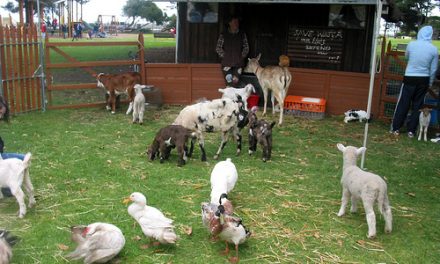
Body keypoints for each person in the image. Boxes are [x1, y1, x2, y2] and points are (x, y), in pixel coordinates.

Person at [390, 25, 438, 138]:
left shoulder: (411, 44)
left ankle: (396, 128)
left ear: (419, 33)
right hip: (424, 79)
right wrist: (430, 82)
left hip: (410, 77)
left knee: (403, 103)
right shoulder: (434, 49)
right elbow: (434, 69)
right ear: (430, 35)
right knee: (418, 105)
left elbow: (407, 57)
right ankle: (411, 131)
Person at [216, 16, 249, 87]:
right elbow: (218, 48)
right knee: (229, 83)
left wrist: (241, 57)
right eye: (234, 22)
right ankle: (230, 98)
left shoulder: (242, 34)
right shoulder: (224, 34)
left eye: (237, 22)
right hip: (226, 64)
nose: (236, 24)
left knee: (235, 82)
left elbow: (246, 47)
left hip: (238, 64)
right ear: (229, 23)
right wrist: (225, 56)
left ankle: (233, 97)